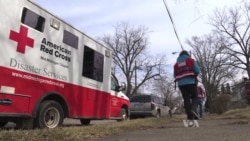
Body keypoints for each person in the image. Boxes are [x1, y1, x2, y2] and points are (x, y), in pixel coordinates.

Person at [173, 50, 200, 120]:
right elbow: (197, 70)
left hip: (181, 84)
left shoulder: (176, 64)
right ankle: (194, 110)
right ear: (187, 55)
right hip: (191, 82)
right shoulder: (191, 60)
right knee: (195, 96)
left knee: (186, 99)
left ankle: (189, 115)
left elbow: (174, 75)